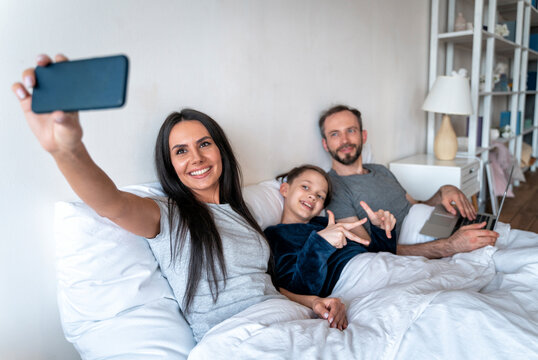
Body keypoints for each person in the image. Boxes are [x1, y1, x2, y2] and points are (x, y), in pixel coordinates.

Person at [10, 54, 336, 341]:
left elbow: (261, 287)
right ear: (170, 165)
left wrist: (313, 303)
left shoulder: (242, 212)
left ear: (220, 150)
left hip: (290, 321)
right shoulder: (169, 215)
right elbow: (111, 203)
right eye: (181, 151)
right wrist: (67, 149)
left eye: (204, 144)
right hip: (238, 338)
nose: (196, 157)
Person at [318, 104, 499, 259]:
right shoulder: (334, 187)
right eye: (335, 134)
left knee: (500, 234)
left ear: (363, 136)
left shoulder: (380, 169)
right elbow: (368, 249)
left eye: (351, 130)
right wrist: (448, 246)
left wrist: (443, 191)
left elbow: (414, 206)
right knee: (504, 253)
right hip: (426, 243)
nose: (345, 140)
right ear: (325, 144)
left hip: (439, 226)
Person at [264, 165, 397, 329]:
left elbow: (378, 254)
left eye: (320, 196)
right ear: (285, 189)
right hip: (357, 281)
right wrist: (320, 244)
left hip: (384, 265)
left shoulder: (327, 224)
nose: (312, 196)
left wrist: (381, 231)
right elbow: (300, 289)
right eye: (305, 187)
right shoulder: (276, 235)